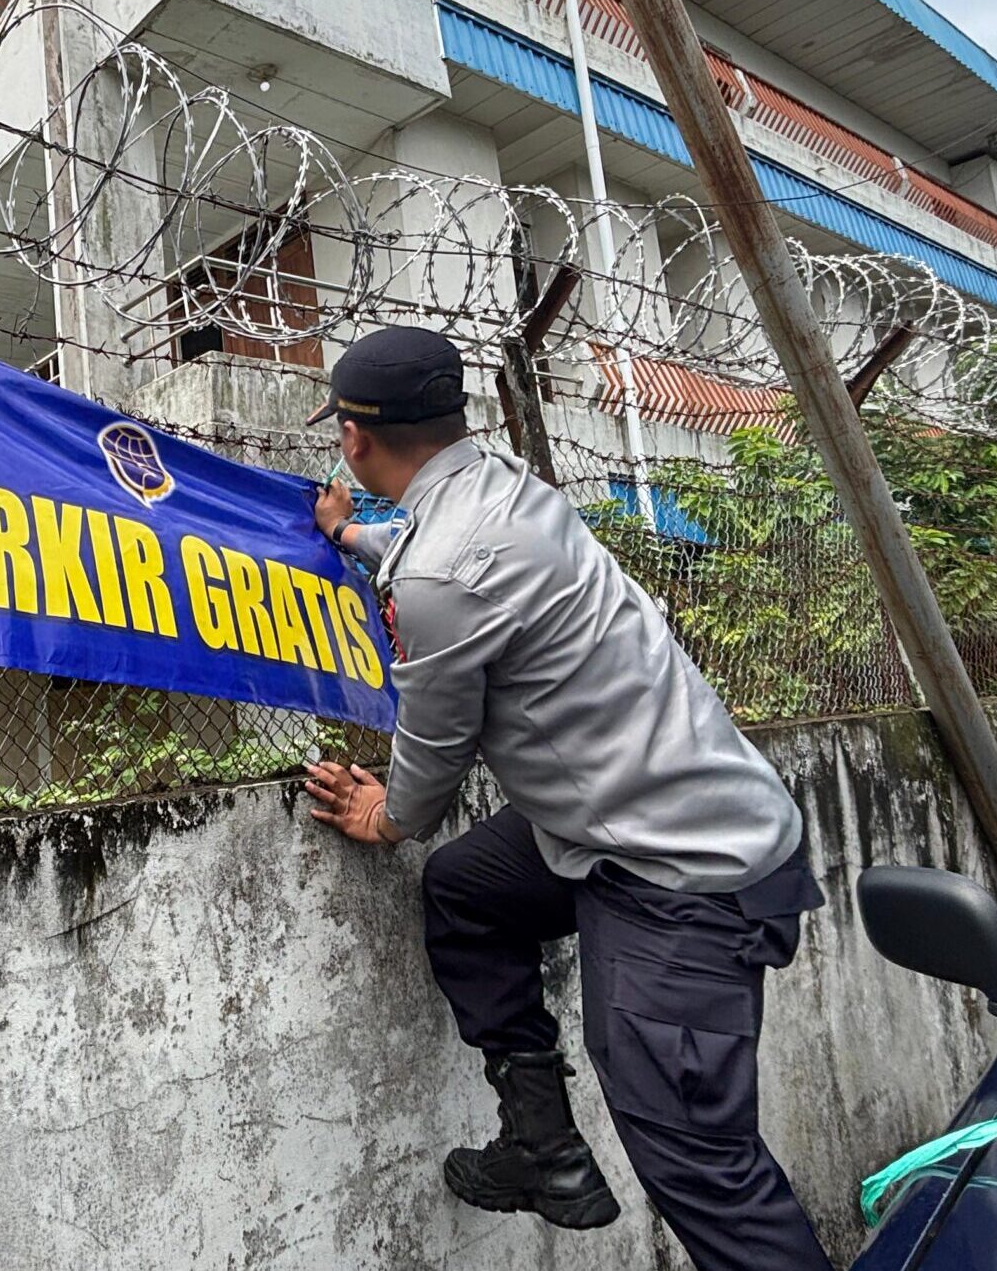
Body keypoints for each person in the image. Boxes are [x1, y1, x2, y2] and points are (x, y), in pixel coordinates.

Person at [300, 325, 832, 1271]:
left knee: (705, 1175)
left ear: (353, 436)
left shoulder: (442, 569)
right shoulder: (505, 487)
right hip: (666, 827)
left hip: (679, 878)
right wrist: (350, 532)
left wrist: (388, 817)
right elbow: (438, 558)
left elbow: (434, 741)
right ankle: (546, 1154)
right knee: (466, 888)